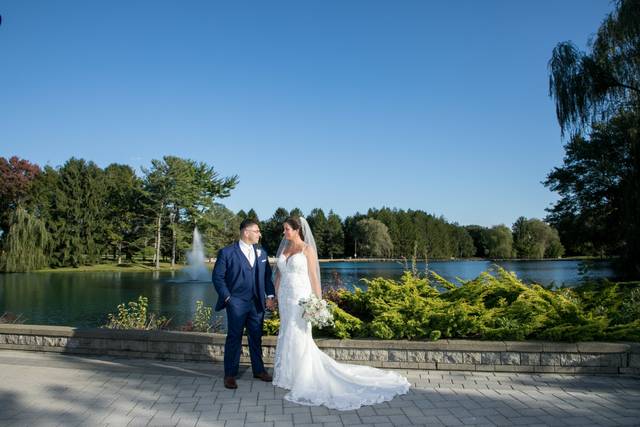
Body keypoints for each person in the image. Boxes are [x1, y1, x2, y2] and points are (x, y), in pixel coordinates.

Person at [272, 216, 410, 410]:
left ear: (297, 230)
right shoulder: (285, 249)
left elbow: (313, 276)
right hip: (285, 297)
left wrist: (318, 302)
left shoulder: (307, 249)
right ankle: (286, 374)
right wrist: (274, 295)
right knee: (286, 332)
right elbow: (279, 274)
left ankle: (302, 376)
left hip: (300, 298)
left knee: (299, 334)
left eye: (287, 229)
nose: (284, 233)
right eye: (284, 229)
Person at [212, 219, 276, 389]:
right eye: (257, 231)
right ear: (246, 232)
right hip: (236, 303)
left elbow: (266, 277)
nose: (259, 234)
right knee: (234, 337)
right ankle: (230, 375)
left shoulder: (262, 252)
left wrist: (270, 296)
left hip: (257, 303)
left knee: (256, 337)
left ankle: (259, 370)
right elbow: (218, 278)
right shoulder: (227, 253)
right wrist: (228, 299)